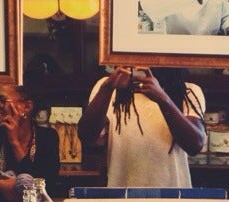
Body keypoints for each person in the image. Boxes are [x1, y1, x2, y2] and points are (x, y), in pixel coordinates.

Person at [77, 66, 206, 188]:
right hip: (122, 196)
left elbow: (195, 144)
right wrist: (108, 88)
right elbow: (87, 137)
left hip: (172, 195)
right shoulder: (108, 86)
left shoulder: (188, 90)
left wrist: (163, 99)